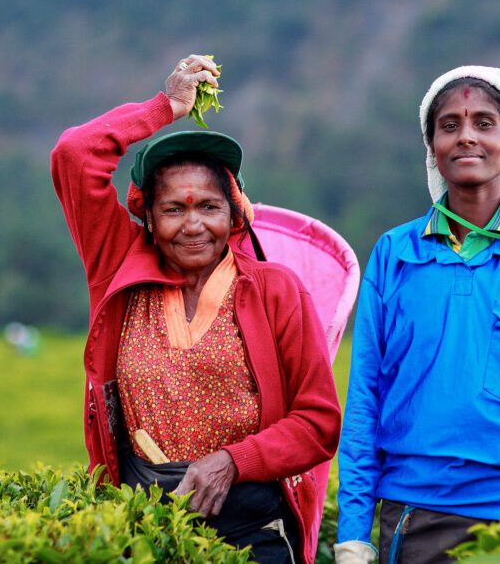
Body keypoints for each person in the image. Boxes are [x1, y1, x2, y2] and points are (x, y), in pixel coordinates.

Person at [51, 54, 341, 563]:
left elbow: (318, 422)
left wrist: (233, 460)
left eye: (209, 207)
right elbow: (75, 154)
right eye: (173, 209)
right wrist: (166, 107)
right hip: (144, 530)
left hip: (254, 528)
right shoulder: (119, 268)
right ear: (146, 216)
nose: (192, 225)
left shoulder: (276, 290)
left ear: (235, 215)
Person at [335, 65, 500, 564]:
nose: (466, 138)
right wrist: (354, 531)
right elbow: (364, 402)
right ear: (432, 147)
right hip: (414, 518)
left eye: (484, 123)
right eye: (450, 125)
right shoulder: (395, 254)